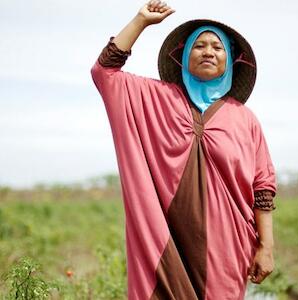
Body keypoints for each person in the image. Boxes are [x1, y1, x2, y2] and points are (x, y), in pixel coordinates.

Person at [90, 1, 277, 299]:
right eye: (198, 45)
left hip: (227, 246)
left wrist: (266, 247)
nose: (208, 51)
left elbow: (263, 188)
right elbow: (105, 72)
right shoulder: (156, 99)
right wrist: (140, 21)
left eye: (217, 48)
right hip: (164, 242)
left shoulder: (245, 119)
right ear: (183, 57)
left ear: (230, 61)